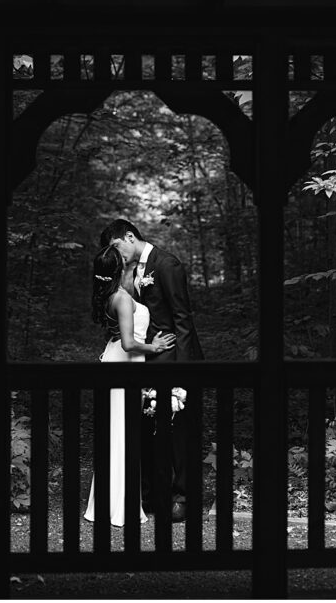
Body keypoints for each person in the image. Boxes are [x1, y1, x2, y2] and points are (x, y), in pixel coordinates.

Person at [100, 219, 204, 523]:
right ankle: (151, 493)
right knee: (148, 430)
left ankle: (181, 497)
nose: (114, 254)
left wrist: (181, 376)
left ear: (129, 237)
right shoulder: (127, 270)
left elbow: (183, 321)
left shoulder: (167, 265)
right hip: (142, 360)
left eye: (116, 246)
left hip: (171, 360)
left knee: (177, 431)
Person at [85, 245, 175, 527]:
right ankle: (120, 507)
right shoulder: (122, 299)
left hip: (119, 361)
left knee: (119, 434)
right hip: (123, 363)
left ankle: (108, 503)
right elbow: (128, 342)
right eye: (123, 260)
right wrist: (154, 345)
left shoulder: (112, 295)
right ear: (117, 268)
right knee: (122, 435)